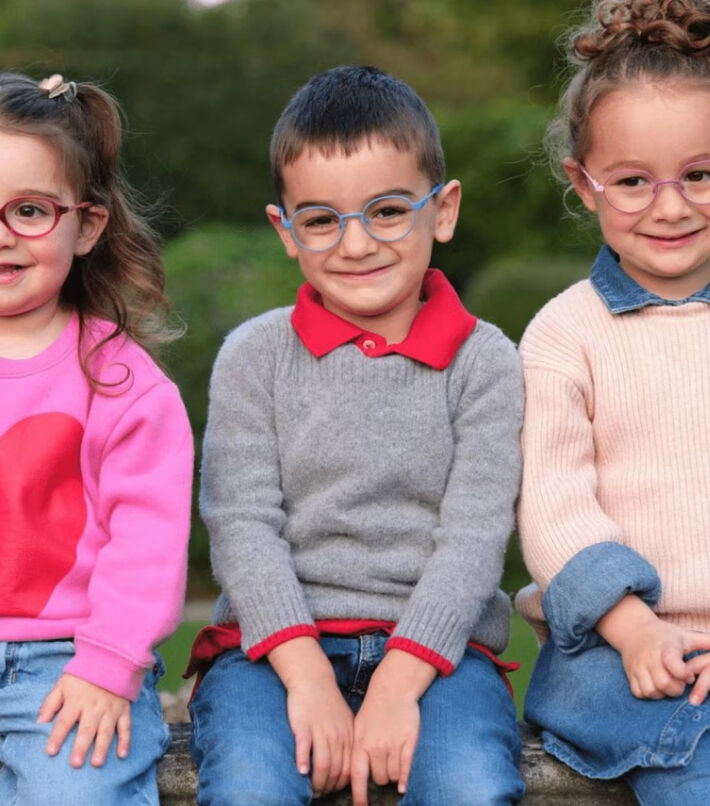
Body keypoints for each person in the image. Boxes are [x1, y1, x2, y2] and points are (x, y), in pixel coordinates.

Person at [187, 65, 525, 805]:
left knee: (468, 786)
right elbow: (241, 523)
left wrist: (400, 683)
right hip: (273, 654)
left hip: (442, 656)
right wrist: (306, 676)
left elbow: (473, 537)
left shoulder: (485, 361)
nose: (356, 242)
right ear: (286, 230)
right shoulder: (256, 355)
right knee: (249, 787)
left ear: (443, 210)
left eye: (388, 210)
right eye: (321, 219)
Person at [516, 1, 710, 803]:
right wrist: (635, 629)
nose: (670, 207)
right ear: (584, 184)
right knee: (691, 760)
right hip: (616, 645)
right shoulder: (565, 334)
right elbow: (556, 510)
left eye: (700, 174)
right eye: (633, 182)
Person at [0, 71, 193, 805]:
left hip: (73, 659)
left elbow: (145, 541)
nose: (2, 234)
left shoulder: (122, 383)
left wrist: (108, 665)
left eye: (28, 211)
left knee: (71, 793)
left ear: (85, 225)